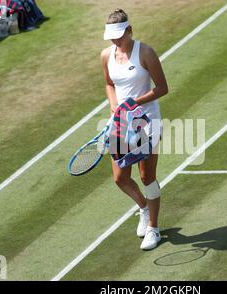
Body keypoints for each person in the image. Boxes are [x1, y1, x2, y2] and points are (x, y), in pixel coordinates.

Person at [101, 8, 169, 250]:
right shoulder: (106, 55)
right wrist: (114, 106)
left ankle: (154, 228)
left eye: (120, 35)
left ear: (130, 31)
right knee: (120, 178)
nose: (115, 40)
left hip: (147, 121)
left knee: (146, 176)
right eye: (112, 36)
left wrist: (136, 102)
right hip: (122, 122)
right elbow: (109, 84)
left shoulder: (146, 52)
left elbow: (162, 88)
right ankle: (142, 207)